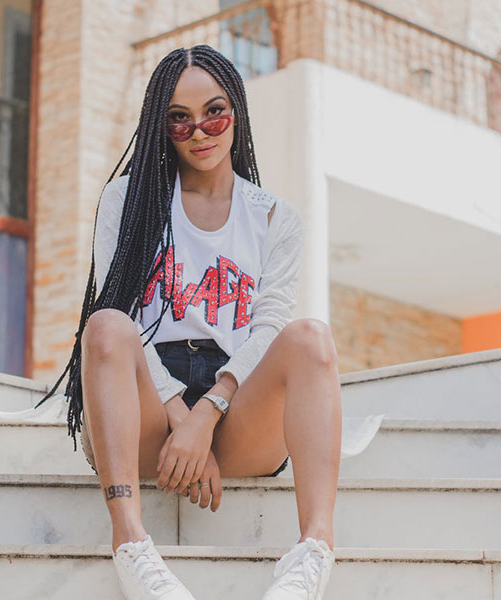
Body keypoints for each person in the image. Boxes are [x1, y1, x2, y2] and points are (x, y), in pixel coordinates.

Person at [35, 44, 340, 600]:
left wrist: (208, 414)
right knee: (106, 324)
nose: (199, 131)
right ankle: (131, 544)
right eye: (180, 118)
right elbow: (123, 319)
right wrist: (179, 414)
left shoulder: (275, 219)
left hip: (237, 407)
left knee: (310, 338)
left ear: (236, 113)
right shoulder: (127, 201)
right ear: (162, 126)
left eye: (214, 113)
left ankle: (313, 553)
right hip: (146, 412)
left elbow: (268, 328)